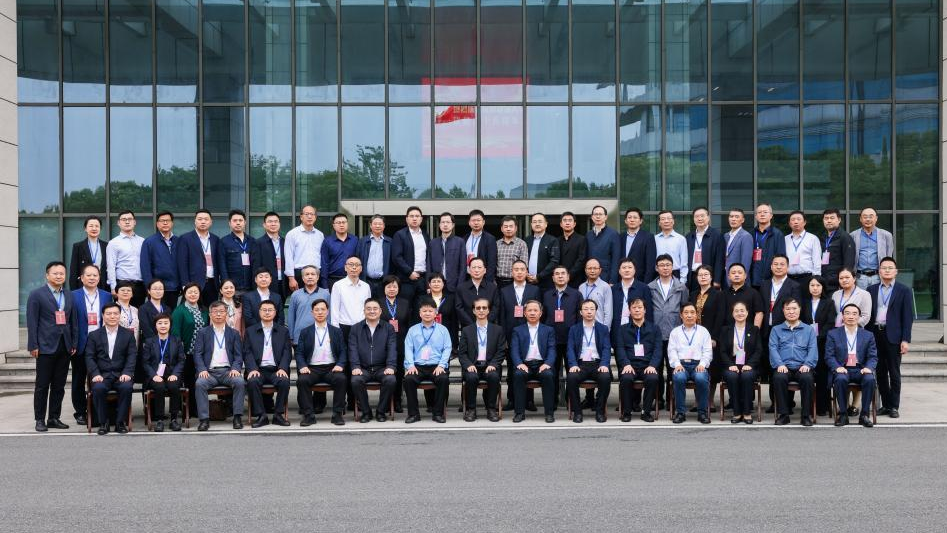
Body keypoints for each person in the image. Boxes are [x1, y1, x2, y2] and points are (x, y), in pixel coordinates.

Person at [28, 261, 78, 432]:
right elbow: (32, 322)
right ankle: (39, 419)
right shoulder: (37, 295)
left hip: (65, 346)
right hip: (45, 346)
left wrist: (73, 342)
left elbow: (73, 321)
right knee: (42, 385)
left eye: (61, 273)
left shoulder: (69, 295)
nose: (59, 276)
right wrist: (33, 345)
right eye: (55, 273)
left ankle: (54, 418)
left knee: (59, 385)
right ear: (47, 275)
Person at [867, 257, 914, 418]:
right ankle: (886, 405)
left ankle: (894, 406)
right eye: (884, 268)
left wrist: (905, 340)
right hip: (875, 334)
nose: (887, 270)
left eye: (890, 268)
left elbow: (907, 317)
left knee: (894, 372)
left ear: (896, 271)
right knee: (880, 372)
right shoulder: (871, 290)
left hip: (893, 335)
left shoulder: (904, 290)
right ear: (879, 271)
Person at [193, 301, 246, 431]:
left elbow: (238, 355)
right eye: (215, 312)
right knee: (200, 384)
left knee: (239, 382)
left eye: (221, 312)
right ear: (210, 314)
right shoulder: (203, 333)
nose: (218, 314)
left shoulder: (234, 333)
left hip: (228, 371)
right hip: (209, 372)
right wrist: (202, 369)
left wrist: (235, 368)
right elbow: (197, 354)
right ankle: (204, 420)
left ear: (226, 314)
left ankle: (237, 417)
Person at [85, 303, 137, 435]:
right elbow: (89, 357)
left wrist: (127, 372)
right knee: (98, 388)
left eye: (115, 313)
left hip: (121, 374)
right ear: (103, 316)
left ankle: (120, 422)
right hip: (102, 375)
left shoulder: (128, 334)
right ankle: (103, 423)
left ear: (120, 315)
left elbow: (132, 356)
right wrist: (95, 374)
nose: (112, 316)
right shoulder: (94, 335)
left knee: (126, 387)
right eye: (108, 314)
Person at [71, 264, 112, 426]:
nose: (92, 278)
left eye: (95, 275)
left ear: (99, 278)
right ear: (82, 278)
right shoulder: (73, 296)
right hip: (80, 343)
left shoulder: (107, 296)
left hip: (100, 344)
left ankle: (98, 410)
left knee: (100, 377)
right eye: (88, 275)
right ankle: (80, 412)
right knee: (78, 379)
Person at [295, 299, 347, 426]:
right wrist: (302, 366)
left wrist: (340, 365)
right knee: (302, 380)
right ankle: (309, 415)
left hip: (331, 368)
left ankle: (337, 414)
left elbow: (343, 351)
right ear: (312, 312)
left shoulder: (336, 331)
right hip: (312, 368)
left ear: (327, 312)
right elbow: (299, 352)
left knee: (341, 379)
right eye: (317, 310)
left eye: (323, 309)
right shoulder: (305, 332)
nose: (320, 312)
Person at [825, 303, 877, 427]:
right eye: (847, 313)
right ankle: (843, 414)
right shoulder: (833, 334)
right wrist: (837, 367)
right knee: (840, 379)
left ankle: (864, 415)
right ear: (842, 316)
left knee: (870, 379)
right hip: (843, 368)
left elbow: (873, 356)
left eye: (854, 314)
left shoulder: (868, 335)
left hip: (861, 369)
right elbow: (829, 356)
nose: (851, 316)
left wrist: (869, 367)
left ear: (859, 317)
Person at [403, 297, 453, 424]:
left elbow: (447, 348)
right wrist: (410, 365)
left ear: (435, 313)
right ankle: (413, 414)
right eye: (424, 311)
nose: (427, 313)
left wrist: (442, 365)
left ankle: (438, 413)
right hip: (417, 366)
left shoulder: (443, 330)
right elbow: (408, 348)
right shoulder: (413, 330)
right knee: (409, 380)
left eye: (430, 311)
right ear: (420, 313)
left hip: (436, 366)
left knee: (443, 379)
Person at [648, 254, 689, 408]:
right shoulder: (650, 287)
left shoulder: (681, 287)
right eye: (662, 265)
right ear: (656, 268)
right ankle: (658, 398)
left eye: (668, 265)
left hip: (675, 334)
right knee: (656, 368)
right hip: (656, 334)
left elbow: (685, 309)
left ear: (672, 267)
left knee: (674, 368)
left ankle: (673, 398)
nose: (665, 268)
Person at [769, 298, 818, 426]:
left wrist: (807, 364)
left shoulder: (808, 329)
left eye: (794, 308)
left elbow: (813, 349)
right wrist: (780, 364)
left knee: (807, 378)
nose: (791, 312)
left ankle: (806, 415)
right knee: (778, 378)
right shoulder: (776, 329)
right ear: (783, 311)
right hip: (784, 366)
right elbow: (773, 348)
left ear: (800, 310)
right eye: (788, 309)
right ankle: (784, 414)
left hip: (802, 366)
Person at [243, 300, 292, 428]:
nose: (267, 312)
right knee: (253, 381)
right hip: (258, 369)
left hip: (276, 369)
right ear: (259, 312)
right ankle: (261, 415)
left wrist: (282, 368)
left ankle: (278, 415)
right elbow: (247, 352)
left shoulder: (283, 331)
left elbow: (287, 352)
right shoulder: (250, 331)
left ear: (275, 313)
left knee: (284, 381)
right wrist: (252, 368)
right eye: (264, 310)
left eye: (270, 310)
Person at [457, 297, 506, 422]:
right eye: (478, 308)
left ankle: (491, 409)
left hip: (490, 365)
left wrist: (494, 364)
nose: (481, 310)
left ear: (488, 310)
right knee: (471, 377)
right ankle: (471, 409)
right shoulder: (467, 330)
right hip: (473, 366)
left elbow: (501, 351)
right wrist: (468, 365)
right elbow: (462, 353)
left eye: (484, 308)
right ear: (474, 311)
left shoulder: (498, 330)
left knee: (493, 376)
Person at [348, 299, 398, 422]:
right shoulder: (355, 328)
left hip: (382, 368)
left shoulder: (388, 328)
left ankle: (381, 411)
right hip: (363, 368)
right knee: (356, 380)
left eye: (375, 308)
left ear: (380, 311)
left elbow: (392, 348)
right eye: (368, 309)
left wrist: (391, 366)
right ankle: (366, 412)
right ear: (364, 311)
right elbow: (352, 349)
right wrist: (355, 366)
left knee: (390, 380)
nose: (372, 311)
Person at [614, 298, 662, 422]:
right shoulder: (623, 329)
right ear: (629, 311)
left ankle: (646, 412)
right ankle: (627, 412)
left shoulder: (655, 329)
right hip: (630, 365)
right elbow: (620, 349)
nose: (637, 310)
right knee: (626, 378)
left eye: (640, 307)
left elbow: (658, 350)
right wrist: (625, 364)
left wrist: (652, 365)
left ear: (645, 310)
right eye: (634, 308)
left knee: (653, 378)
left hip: (647, 365)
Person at [510, 300, 557, 423]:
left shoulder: (548, 330)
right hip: (525, 364)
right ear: (524, 313)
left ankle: (549, 413)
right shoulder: (517, 330)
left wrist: (547, 364)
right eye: (529, 310)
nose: (532, 313)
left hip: (542, 364)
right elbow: (514, 350)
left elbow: (552, 349)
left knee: (548, 375)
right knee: (518, 375)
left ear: (540, 313)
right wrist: (519, 363)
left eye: (535, 310)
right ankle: (519, 413)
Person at [565, 299, 612, 423]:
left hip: (598, 363)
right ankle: (577, 412)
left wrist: (604, 364)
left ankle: (600, 411)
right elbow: (570, 348)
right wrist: (573, 364)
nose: (589, 312)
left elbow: (606, 348)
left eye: (592, 309)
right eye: (586, 309)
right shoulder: (574, 329)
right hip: (581, 364)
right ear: (581, 312)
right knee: (571, 378)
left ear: (596, 311)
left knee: (605, 378)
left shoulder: (603, 329)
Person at [667, 303, 713, 424]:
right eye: (686, 313)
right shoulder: (675, 332)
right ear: (681, 315)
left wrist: (702, 364)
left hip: (698, 364)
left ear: (696, 315)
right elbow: (672, 351)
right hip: (681, 364)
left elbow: (707, 351)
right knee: (679, 378)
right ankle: (680, 413)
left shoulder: (703, 331)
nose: (689, 315)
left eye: (692, 312)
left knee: (701, 378)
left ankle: (702, 412)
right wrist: (677, 364)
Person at [542, 265, 582, 403]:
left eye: (563, 273)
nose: (560, 276)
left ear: (568, 277)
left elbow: (579, 318)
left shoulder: (576, 294)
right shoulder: (547, 295)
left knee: (572, 371)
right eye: (557, 274)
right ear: (553, 278)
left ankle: (571, 400)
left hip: (570, 340)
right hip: (552, 340)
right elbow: (543, 317)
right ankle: (552, 401)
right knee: (551, 371)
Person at [719, 302, 762, 424]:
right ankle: (737, 411)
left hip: (749, 364)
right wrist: (730, 365)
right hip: (731, 364)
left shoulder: (754, 329)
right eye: (736, 311)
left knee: (747, 376)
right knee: (732, 376)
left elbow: (758, 350)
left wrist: (750, 364)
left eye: (742, 310)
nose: (740, 313)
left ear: (747, 313)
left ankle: (747, 412)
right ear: (732, 314)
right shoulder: (726, 330)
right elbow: (722, 351)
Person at [690, 265, 726, 411]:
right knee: (695, 365)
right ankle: (697, 400)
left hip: (710, 337)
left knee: (711, 368)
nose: (703, 277)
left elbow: (721, 317)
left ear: (711, 277)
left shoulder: (718, 294)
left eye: (706, 274)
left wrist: (714, 337)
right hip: (693, 336)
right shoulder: (693, 294)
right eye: (700, 275)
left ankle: (709, 401)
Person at [801, 276, 838, 416]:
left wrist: (818, 337)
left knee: (822, 375)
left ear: (823, 287)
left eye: (818, 285)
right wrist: (809, 338)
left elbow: (830, 322)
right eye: (812, 285)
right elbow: (801, 321)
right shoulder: (804, 303)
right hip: (805, 344)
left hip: (823, 343)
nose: (815, 288)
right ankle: (809, 406)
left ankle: (823, 406)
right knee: (808, 375)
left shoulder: (829, 303)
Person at [141, 313, 186, 432]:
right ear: (155, 325)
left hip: (172, 374)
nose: (163, 326)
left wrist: (175, 374)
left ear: (170, 325)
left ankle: (174, 419)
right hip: (155, 375)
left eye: (166, 323)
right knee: (159, 387)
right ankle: (159, 419)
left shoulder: (176, 340)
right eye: (160, 323)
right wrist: (154, 375)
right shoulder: (149, 342)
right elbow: (145, 362)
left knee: (174, 386)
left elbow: (181, 360)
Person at [170, 283, 207, 403]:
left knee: (200, 381)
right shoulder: (179, 311)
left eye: (196, 292)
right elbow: (175, 333)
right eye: (190, 292)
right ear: (184, 294)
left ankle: (199, 407)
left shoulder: (204, 310)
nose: (193, 294)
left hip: (201, 353)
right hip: (186, 353)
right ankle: (188, 409)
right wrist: (180, 351)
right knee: (189, 381)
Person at [380, 275, 412, 413]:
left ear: (399, 288)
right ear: (384, 288)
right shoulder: (378, 303)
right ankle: (386, 402)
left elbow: (409, 324)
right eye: (389, 286)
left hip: (401, 342)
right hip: (382, 343)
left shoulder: (405, 303)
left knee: (398, 374)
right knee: (386, 374)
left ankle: (397, 401)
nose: (392, 289)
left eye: (394, 286)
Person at [176, 209, 221, 306]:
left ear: (211, 222)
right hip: (193, 284)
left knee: (211, 311)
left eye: (206, 219)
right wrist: (185, 285)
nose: (203, 222)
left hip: (212, 283)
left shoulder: (215, 239)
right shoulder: (185, 239)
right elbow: (182, 264)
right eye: (200, 219)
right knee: (191, 311)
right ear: (195, 221)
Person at [139, 211, 180, 308]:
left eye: (167, 221)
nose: (165, 223)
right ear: (157, 224)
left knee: (171, 314)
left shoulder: (178, 241)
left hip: (174, 287)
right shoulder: (149, 242)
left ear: (172, 223)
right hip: (157, 288)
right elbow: (145, 266)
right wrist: (149, 286)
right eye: (162, 221)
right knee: (157, 314)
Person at [390, 205, 430, 305]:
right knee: (405, 308)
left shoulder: (425, 235)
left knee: (421, 308)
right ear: (407, 219)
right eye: (411, 216)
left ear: (421, 219)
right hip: (406, 280)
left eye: (417, 216)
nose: (414, 218)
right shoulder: (400, 235)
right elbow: (396, 257)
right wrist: (409, 272)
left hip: (422, 279)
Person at [106, 210, 146, 306]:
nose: (127, 222)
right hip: (122, 285)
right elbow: (111, 266)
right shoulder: (113, 243)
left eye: (130, 219)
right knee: (121, 313)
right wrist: (113, 287)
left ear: (134, 222)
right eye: (124, 219)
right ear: (118, 223)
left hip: (140, 285)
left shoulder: (142, 241)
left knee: (138, 313)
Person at [284, 205, 325, 292]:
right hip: (299, 274)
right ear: (301, 217)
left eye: (312, 214)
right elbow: (288, 257)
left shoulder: (320, 235)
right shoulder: (292, 234)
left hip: (316, 273)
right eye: (306, 214)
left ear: (315, 217)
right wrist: (291, 278)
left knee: (317, 299)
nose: (309, 216)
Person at [330, 256, 372, 340]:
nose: (354, 267)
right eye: (351, 264)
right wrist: (335, 330)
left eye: (357, 265)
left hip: (362, 326)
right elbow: (334, 309)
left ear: (361, 268)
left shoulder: (366, 286)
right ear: (345, 268)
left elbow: (368, 308)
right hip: (344, 326)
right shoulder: (338, 285)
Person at [286, 265, 330, 345]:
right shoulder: (295, 295)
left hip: (321, 337)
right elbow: (291, 317)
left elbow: (329, 316)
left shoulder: (325, 294)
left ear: (317, 277)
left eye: (313, 274)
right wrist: (291, 336)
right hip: (299, 336)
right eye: (307, 274)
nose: (310, 277)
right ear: (303, 278)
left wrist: (330, 334)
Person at [852, 207, 894, 289]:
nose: (868, 219)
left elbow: (889, 257)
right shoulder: (853, 235)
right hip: (860, 277)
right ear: (860, 219)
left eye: (871, 216)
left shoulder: (886, 235)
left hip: (878, 277)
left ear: (876, 218)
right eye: (865, 217)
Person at [686, 207, 726, 290]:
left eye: (702, 216)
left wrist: (717, 280)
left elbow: (719, 260)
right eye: (697, 216)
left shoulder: (717, 235)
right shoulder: (689, 236)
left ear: (708, 218)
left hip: (709, 277)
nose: (699, 218)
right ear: (693, 219)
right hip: (692, 276)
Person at [426, 212, 467, 294]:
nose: (445, 225)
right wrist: (428, 285)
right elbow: (429, 266)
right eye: (443, 222)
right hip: (436, 285)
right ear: (439, 225)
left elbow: (463, 266)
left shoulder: (460, 242)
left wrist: (460, 285)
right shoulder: (433, 243)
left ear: (453, 225)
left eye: (448, 222)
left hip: (453, 285)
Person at [455, 257, 500, 329]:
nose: (476, 270)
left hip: (488, 327)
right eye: (474, 267)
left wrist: (485, 323)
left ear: (484, 270)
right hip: (468, 327)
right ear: (469, 270)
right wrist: (472, 325)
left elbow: (495, 307)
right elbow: (459, 308)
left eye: (479, 267)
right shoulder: (461, 288)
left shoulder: (492, 288)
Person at [251, 211, 288, 299]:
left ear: (279, 224)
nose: (273, 224)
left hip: (283, 283)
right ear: (264, 225)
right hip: (266, 284)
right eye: (270, 221)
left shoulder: (285, 242)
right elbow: (256, 267)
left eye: (276, 221)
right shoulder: (258, 243)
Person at [749, 203, 786, 289]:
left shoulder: (777, 234)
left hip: (770, 280)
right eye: (759, 212)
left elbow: (781, 257)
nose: (762, 214)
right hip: (752, 279)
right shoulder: (750, 234)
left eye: (765, 212)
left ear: (771, 215)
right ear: (756, 216)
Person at [761, 255, 802, 330]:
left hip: (785, 328)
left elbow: (796, 309)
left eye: (782, 264)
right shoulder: (764, 285)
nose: (778, 267)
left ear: (788, 267)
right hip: (765, 328)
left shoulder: (795, 286)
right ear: (771, 267)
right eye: (775, 264)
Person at [69, 215, 109, 291]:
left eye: (97, 226)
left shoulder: (106, 246)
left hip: (103, 285)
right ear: (85, 228)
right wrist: (73, 290)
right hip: (83, 285)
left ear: (100, 228)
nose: (94, 228)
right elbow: (73, 270)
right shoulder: (78, 246)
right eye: (91, 226)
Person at [610, 258, 652, 332]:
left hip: (637, 329)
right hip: (616, 329)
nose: (627, 270)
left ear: (634, 270)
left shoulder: (643, 288)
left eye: (630, 267)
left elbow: (648, 312)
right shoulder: (613, 289)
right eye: (624, 268)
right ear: (619, 271)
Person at [820, 208, 856, 292]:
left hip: (837, 282)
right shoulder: (823, 237)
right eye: (826, 218)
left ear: (839, 220)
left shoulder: (845, 237)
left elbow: (849, 262)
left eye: (832, 218)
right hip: (824, 280)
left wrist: (843, 280)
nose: (829, 221)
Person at [218, 209, 254, 292]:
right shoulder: (224, 241)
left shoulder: (252, 241)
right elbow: (222, 265)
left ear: (245, 222)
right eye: (235, 221)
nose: (238, 223)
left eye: (240, 220)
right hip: (232, 287)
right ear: (229, 223)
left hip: (251, 286)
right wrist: (226, 284)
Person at [320, 213, 359, 290]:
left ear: (347, 224)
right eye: (338, 223)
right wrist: (324, 285)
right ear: (334, 225)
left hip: (351, 279)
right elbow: (324, 263)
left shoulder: (355, 240)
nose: (341, 225)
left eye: (344, 222)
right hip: (332, 280)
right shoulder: (327, 241)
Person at [784, 210, 822, 289]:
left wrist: (816, 279)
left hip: (807, 278)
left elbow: (817, 261)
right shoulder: (785, 239)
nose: (796, 222)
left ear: (804, 222)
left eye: (799, 219)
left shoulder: (812, 238)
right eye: (793, 219)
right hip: (789, 278)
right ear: (789, 223)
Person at [357, 214, 392, 297]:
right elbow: (358, 259)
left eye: (380, 224)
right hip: (366, 280)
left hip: (383, 281)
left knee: (382, 303)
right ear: (370, 225)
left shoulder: (390, 242)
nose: (377, 226)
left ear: (384, 226)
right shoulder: (363, 241)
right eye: (375, 223)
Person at [524, 213, 560, 290]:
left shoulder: (552, 240)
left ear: (546, 224)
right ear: (531, 224)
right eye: (534, 222)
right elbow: (522, 259)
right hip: (528, 282)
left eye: (540, 221)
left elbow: (554, 261)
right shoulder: (526, 240)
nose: (537, 224)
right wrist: (525, 274)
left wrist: (539, 276)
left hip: (546, 283)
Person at [723, 263, 764, 329]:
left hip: (748, 332)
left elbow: (759, 313)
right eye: (733, 273)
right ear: (728, 276)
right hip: (727, 331)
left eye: (740, 273)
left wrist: (755, 331)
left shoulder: (753, 293)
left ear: (745, 276)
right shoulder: (723, 294)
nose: (736, 275)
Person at [585, 206, 619, 284]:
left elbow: (616, 260)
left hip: (606, 278)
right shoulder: (588, 235)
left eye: (600, 214)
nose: (598, 216)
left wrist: (612, 280)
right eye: (595, 214)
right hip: (590, 278)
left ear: (606, 217)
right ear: (592, 217)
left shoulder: (613, 234)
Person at [577, 258, 613, 332]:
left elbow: (608, 312)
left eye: (595, 268)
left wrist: (605, 330)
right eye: (589, 268)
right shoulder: (581, 287)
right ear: (585, 270)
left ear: (600, 270)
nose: (592, 271)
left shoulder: (605, 287)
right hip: (583, 328)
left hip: (599, 328)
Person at [622, 207, 656, 282]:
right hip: (622, 280)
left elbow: (650, 263)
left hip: (640, 279)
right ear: (625, 221)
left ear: (640, 221)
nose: (632, 220)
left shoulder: (648, 237)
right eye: (629, 217)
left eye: (635, 217)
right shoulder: (620, 237)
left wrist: (646, 283)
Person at [654, 210, 688, 284]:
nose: (666, 221)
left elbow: (684, 262)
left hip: (675, 274)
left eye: (669, 218)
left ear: (673, 221)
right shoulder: (654, 239)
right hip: (657, 274)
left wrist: (682, 280)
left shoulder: (681, 239)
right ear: (659, 223)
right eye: (663, 219)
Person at [495, 215, 529, 288]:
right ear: (501, 229)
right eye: (506, 226)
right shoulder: (496, 244)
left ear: (516, 228)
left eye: (511, 226)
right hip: (498, 282)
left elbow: (524, 265)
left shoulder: (521, 244)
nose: (508, 229)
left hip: (515, 281)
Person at [465, 209, 498, 282]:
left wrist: (488, 281)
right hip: (467, 277)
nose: (476, 223)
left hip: (483, 278)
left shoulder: (490, 239)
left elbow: (492, 262)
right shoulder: (465, 238)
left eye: (478, 220)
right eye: (473, 220)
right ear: (469, 222)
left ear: (483, 222)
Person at [558, 211, 588, 288]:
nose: (567, 223)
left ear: (574, 224)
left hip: (576, 279)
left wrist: (569, 275)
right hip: (559, 279)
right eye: (565, 220)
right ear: (561, 224)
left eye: (570, 220)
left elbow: (581, 260)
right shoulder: (557, 240)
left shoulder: (582, 239)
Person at [723, 209, 753, 286]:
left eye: (737, 217)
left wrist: (741, 280)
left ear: (742, 220)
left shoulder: (746, 236)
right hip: (725, 278)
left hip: (738, 281)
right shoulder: (726, 236)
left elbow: (746, 261)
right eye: (731, 216)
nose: (733, 219)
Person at [138, 279, 168, 347]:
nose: (158, 291)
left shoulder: (167, 308)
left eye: (160, 289)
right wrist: (157, 343)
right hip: (150, 344)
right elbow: (146, 329)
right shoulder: (143, 308)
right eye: (155, 289)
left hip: (166, 343)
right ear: (149, 291)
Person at [114, 281, 141, 346]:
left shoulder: (135, 310)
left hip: (134, 344)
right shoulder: (112, 308)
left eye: (128, 290)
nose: (125, 292)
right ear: (117, 293)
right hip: (117, 345)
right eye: (122, 290)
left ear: (132, 294)